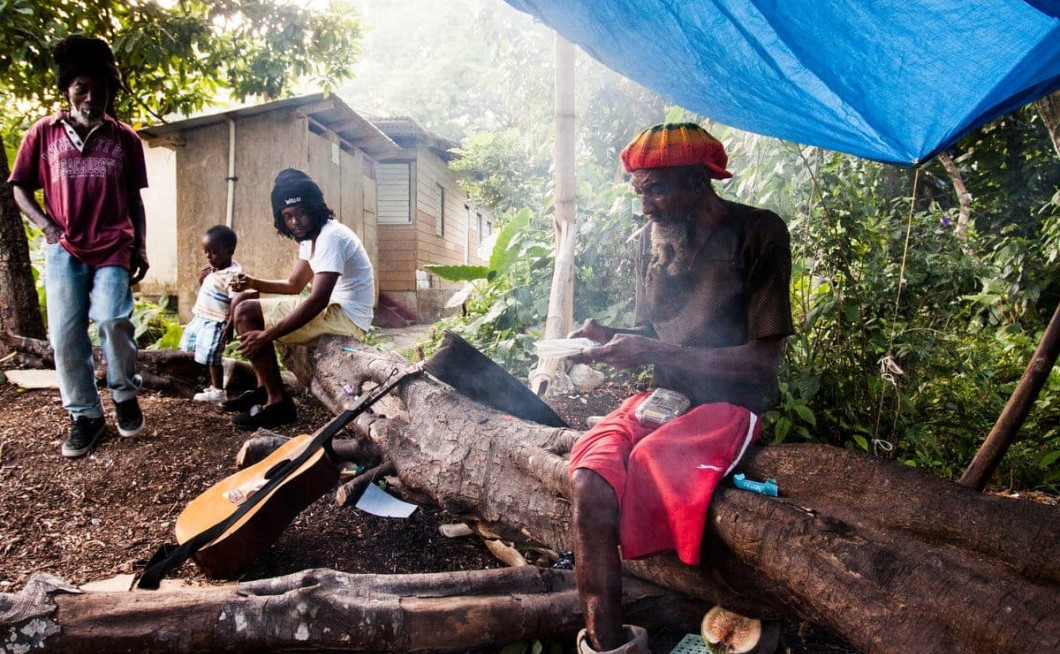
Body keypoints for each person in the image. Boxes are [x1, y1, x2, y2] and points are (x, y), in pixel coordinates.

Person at [565, 123, 793, 654]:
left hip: (731, 404)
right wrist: (608, 337)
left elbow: (763, 362)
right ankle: (607, 645)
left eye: (657, 190)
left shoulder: (758, 232)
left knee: (650, 461)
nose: (646, 207)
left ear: (697, 181)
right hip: (665, 400)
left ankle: (701, 603)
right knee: (589, 477)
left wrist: (656, 351)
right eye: (639, 192)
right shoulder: (652, 241)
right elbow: (652, 332)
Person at [8, 35, 149, 459]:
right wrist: (47, 227)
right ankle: (85, 415)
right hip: (64, 247)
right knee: (65, 335)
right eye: (81, 88)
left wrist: (141, 247)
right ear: (67, 90)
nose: (90, 98)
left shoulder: (125, 139)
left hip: (113, 244)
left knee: (112, 319)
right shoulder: (43, 133)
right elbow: (19, 188)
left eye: (99, 89)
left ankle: (124, 393)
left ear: (110, 91)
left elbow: (135, 199)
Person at [222, 168, 374, 430]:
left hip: (347, 318)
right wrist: (253, 282)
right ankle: (264, 389)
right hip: (334, 310)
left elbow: (318, 300)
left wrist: (267, 335)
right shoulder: (309, 238)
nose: (295, 222)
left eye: (301, 212)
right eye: (287, 216)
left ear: (315, 209)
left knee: (247, 311)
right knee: (244, 300)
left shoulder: (330, 237)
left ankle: (278, 404)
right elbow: (294, 285)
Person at [179, 225, 242, 403]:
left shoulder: (233, 277)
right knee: (202, 350)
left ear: (229, 251)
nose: (208, 256)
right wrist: (203, 280)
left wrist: (230, 326)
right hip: (203, 317)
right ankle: (219, 373)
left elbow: (235, 302)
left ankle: (218, 392)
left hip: (217, 321)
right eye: (206, 252)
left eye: (213, 252)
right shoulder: (215, 270)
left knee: (212, 357)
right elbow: (211, 292)